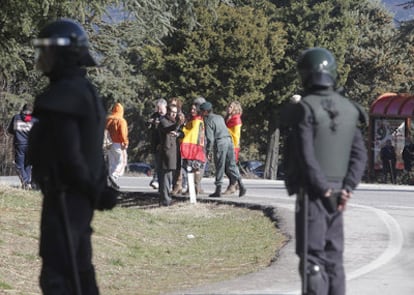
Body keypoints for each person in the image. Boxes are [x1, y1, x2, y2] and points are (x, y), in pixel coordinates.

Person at [28, 18, 117, 295]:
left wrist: (91, 187)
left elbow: (71, 154)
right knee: (79, 271)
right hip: (77, 198)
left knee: (60, 278)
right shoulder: (85, 90)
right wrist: (98, 189)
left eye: (47, 51)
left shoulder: (63, 95)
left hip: (66, 198)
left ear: (63, 53)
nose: (42, 58)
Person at [282, 47, 367, 295]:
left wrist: (323, 189)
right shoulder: (350, 109)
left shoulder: (305, 108)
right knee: (333, 258)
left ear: (305, 74)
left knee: (312, 260)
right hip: (339, 193)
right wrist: (347, 188)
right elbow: (359, 154)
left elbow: (305, 156)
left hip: (313, 195)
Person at [199, 101, 246, 198]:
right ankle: (241, 184)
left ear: (205, 112)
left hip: (220, 142)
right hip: (229, 141)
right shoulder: (219, 117)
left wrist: (208, 151)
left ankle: (218, 189)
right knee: (232, 165)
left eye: (201, 111)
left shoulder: (208, 120)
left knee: (220, 165)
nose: (201, 113)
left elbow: (210, 138)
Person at [7, 103, 38, 189]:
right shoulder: (34, 119)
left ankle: (25, 181)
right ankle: (28, 183)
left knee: (19, 164)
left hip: (19, 144)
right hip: (31, 145)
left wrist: (19, 134)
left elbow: (10, 131)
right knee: (27, 164)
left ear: (22, 110)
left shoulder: (16, 118)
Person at [158, 104, 183, 206]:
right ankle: (165, 199)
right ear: (168, 111)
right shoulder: (163, 121)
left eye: (175, 112)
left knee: (171, 176)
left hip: (175, 151)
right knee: (166, 176)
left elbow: (182, 133)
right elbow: (168, 128)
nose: (174, 114)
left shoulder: (174, 122)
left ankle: (167, 197)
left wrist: (178, 133)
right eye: (172, 112)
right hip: (167, 152)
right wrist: (178, 123)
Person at [180, 101, 207, 196]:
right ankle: (191, 188)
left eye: (194, 109)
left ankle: (195, 189)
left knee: (195, 169)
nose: (192, 111)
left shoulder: (198, 120)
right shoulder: (191, 120)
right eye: (191, 109)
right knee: (190, 169)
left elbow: (193, 134)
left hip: (195, 148)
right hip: (192, 148)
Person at [146, 98, 168, 190]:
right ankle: (157, 181)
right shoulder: (155, 115)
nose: (159, 111)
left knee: (166, 165)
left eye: (161, 109)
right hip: (156, 144)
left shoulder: (169, 116)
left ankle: (165, 184)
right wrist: (150, 122)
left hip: (166, 144)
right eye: (158, 108)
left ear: (165, 107)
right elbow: (147, 124)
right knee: (157, 164)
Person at [223, 101, 243, 195]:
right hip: (226, 143)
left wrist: (224, 130)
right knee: (226, 167)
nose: (228, 108)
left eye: (231, 107)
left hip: (232, 145)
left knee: (230, 166)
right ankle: (235, 183)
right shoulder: (227, 118)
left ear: (236, 108)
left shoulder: (236, 119)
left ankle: (232, 185)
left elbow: (236, 135)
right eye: (228, 106)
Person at [106, 102, 129, 182]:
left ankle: (110, 182)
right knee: (122, 162)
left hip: (108, 144)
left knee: (112, 163)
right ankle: (114, 175)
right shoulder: (121, 120)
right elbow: (123, 133)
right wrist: (125, 142)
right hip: (118, 144)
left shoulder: (108, 119)